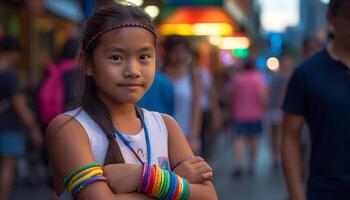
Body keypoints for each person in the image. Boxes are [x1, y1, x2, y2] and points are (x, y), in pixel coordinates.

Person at [46, 3, 217, 200]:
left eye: (144, 56)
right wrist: (173, 181)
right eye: (117, 57)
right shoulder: (71, 128)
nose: (133, 71)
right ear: (87, 63)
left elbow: (209, 196)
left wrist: (142, 178)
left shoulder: (166, 126)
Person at [281, 0, 350, 199]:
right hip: (327, 190)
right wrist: (296, 193)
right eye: (348, 17)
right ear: (331, 18)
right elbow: (289, 138)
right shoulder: (307, 73)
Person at [0, 36, 42, 200]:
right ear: (11, 52)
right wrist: (32, 127)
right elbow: (19, 104)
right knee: (7, 166)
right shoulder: (11, 75)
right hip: (9, 127)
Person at [162, 35, 202, 154]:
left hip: (186, 132)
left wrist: (194, 135)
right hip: (163, 132)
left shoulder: (192, 75)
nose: (179, 55)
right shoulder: (159, 74)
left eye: (183, 51)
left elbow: (196, 106)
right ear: (168, 52)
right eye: (175, 51)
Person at [229, 58, 267, 177]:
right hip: (256, 114)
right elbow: (263, 96)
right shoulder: (258, 78)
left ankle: (239, 165)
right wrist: (264, 108)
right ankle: (252, 164)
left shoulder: (237, 78)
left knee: (239, 140)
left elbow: (231, 96)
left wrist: (230, 111)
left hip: (239, 114)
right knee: (254, 140)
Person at [266, 54, 294, 169]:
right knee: (277, 134)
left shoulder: (286, 77)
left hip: (283, 110)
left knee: (281, 134)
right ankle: (276, 156)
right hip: (276, 109)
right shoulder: (281, 77)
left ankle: (279, 156)